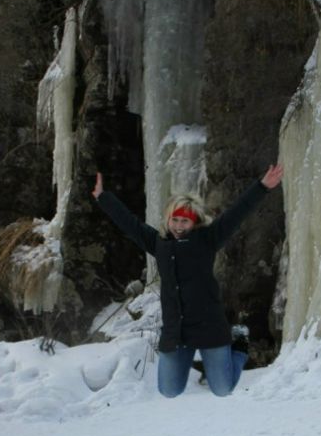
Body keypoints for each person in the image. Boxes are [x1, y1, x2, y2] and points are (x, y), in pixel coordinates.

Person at [92, 163, 285, 397]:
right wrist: (104, 198)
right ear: (168, 220)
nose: (179, 226)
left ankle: (239, 343)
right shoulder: (158, 243)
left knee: (223, 389)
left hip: (210, 326)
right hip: (177, 330)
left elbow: (236, 214)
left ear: (194, 223)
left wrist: (262, 186)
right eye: (175, 220)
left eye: (185, 221)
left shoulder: (208, 239)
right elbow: (130, 224)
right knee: (168, 390)